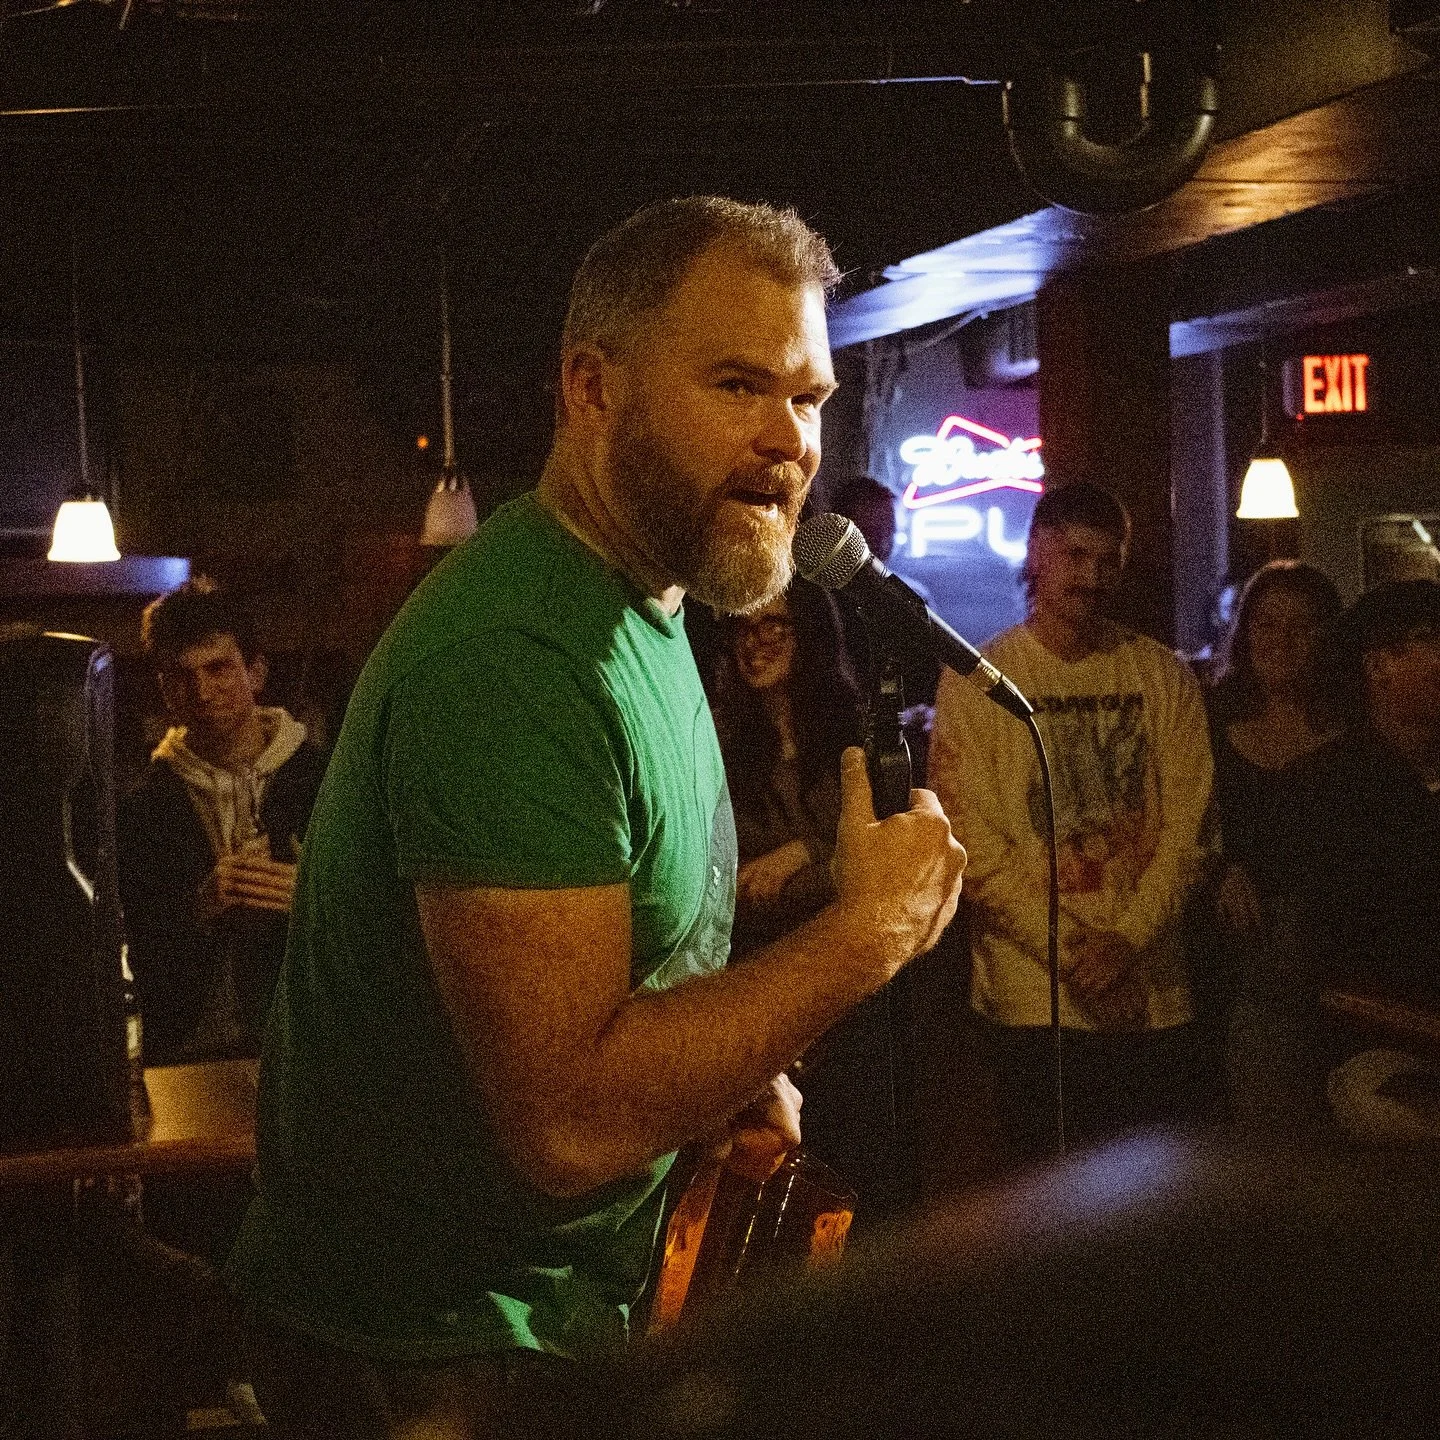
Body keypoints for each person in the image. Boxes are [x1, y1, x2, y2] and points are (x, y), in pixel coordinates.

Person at [225, 196, 966, 1437]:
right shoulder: (519, 652)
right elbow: (566, 1118)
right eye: (740, 386)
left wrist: (725, 1078)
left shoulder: (648, 605)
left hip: (548, 1326)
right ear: (592, 387)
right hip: (438, 1359)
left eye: (811, 398)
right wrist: (864, 937)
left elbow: (637, 975)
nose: (789, 440)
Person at [928, 480, 1215, 1162]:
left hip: (1150, 990)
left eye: (1108, 561)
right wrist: (1081, 960)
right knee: (1045, 1218)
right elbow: (974, 849)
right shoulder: (980, 679)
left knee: (1147, 1218)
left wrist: (1127, 943)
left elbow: (1190, 832)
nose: (1092, 578)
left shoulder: (1163, 674)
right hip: (1034, 1001)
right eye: (1076, 556)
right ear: (1037, 554)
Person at [119, 580, 326, 1065]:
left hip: (311, 1039)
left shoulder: (325, 778)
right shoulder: (143, 803)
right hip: (189, 1047)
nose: (202, 691)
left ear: (255, 673)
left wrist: (313, 896)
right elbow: (128, 945)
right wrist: (200, 906)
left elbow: (389, 912)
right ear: (164, 688)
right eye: (181, 675)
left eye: (219, 669)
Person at [1286, 580, 1440, 1142]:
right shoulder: (1335, 787)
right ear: (1380, 666)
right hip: (1376, 1050)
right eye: (1431, 640)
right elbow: (1336, 970)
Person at [1202, 561, 1342, 1128]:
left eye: (1301, 627)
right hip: (1224, 939)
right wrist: (1222, 867)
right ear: (1246, 632)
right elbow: (1184, 820)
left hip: (1321, 943)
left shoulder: (1352, 736)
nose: (1282, 641)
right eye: (1268, 625)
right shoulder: (1211, 722)